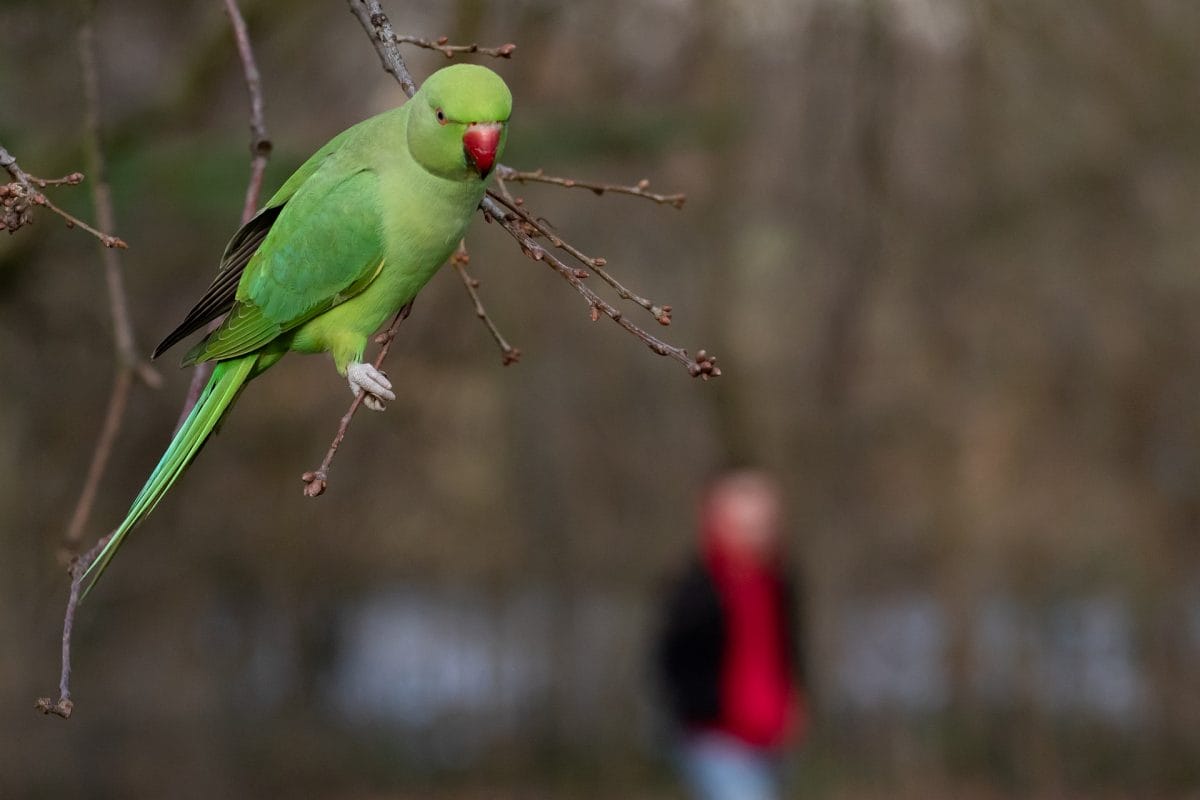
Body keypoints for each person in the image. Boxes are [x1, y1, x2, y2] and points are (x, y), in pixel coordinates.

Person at [656, 470, 806, 800]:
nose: (759, 529)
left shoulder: (779, 582)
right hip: (717, 735)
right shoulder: (697, 588)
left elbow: (789, 649)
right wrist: (703, 708)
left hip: (770, 735)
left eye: (765, 518)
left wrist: (794, 700)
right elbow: (672, 661)